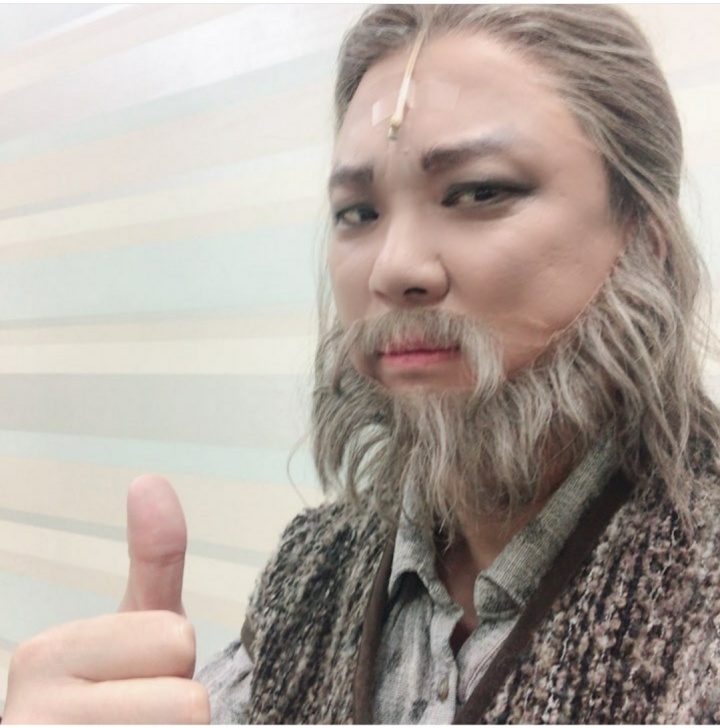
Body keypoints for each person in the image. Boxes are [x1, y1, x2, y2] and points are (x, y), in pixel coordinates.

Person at [4, 3, 720, 724]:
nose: (393, 268)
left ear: (645, 242)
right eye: (358, 213)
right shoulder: (313, 571)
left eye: (479, 192)